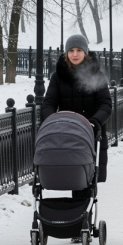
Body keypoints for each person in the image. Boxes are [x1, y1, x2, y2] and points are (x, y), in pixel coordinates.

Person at [42, 34, 112, 185]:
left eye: (79, 50)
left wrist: (95, 121)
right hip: (65, 133)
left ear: (85, 52)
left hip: (90, 132)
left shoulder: (96, 75)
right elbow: (49, 103)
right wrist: (53, 122)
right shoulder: (58, 77)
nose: (74, 54)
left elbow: (105, 104)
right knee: (69, 176)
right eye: (71, 50)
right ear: (66, 53)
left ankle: (83, 208)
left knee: (87, 179)